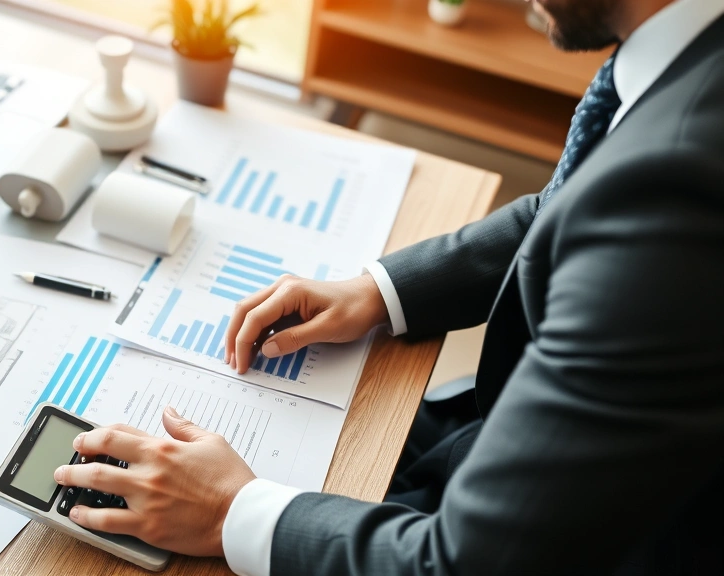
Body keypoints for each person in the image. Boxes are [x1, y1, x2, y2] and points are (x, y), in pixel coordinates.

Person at [52, 0, 724, 573]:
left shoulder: (680, 186)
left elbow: (461, 562)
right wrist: (377, 291)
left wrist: (231, 513)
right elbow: (569, 206)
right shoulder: (685, 62)